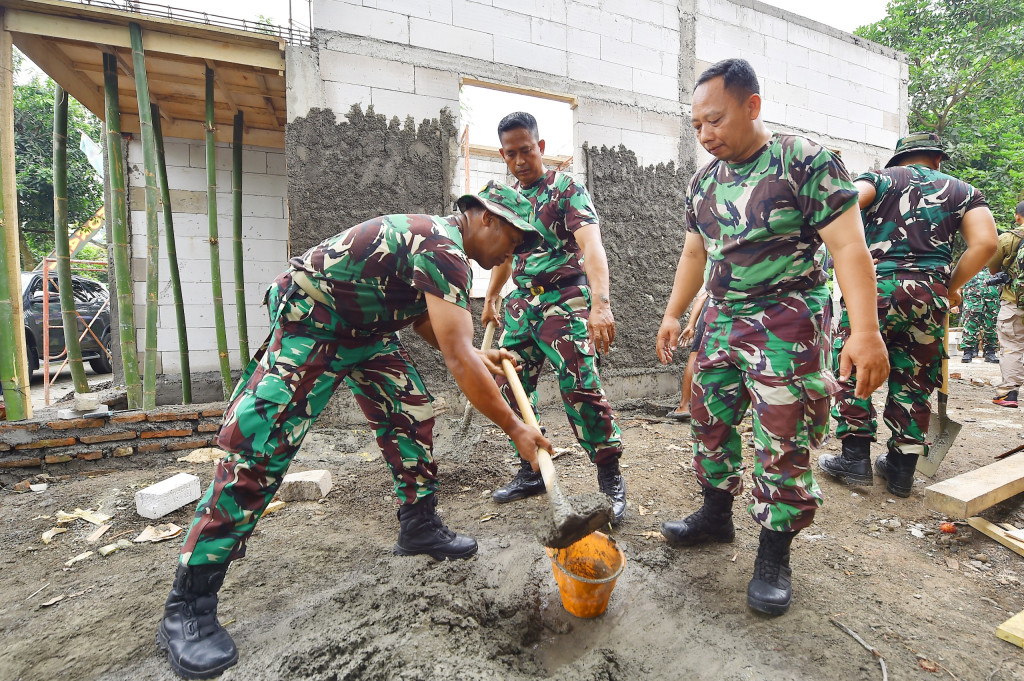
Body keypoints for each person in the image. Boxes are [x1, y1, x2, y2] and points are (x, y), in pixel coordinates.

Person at [156, 181, 553, 680]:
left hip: (366, 332)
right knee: (260, 446)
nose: (508, 259)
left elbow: (431, 329)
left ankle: (420, 524)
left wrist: (483, 356)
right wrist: (516, 427)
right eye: (513, 244)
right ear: (487, 219)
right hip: (313, 319)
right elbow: (455, 356)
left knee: (408, 414)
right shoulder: (442, 247)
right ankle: (188, 603)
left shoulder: (445, 252)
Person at [655, 58, 889, 616]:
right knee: (708, 418)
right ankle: (716, 515)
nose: (705, 134)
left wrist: (867, 331)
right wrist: (673, 313)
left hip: (788, 323)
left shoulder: (804, 161)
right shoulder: (703, 180)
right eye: (696, 126)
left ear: (752, 106)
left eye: (715, 120)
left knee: (782, 438)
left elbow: (849, 248)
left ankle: (773, 552)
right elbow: (695, 252)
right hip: (721, 320)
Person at [820, 132, 997, 496]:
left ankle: (854, 460)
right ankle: (901, 471)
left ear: (899, 159)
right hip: (931, 296)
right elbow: (987, 243)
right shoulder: (964, 191)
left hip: (876, 290)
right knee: (917, 379)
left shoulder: (880, 179)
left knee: (855, 367)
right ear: (936, 159)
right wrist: (949, 286)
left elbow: (844, 201)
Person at [481, 111, 627, 523]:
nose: (520, 160)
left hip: (565, 301)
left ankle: (609, 477)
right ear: (503, 156)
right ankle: (531, 469)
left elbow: (592, 247)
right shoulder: (508, 199)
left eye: (526, 150)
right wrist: (492, 296)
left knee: (581, 388)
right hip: (523, 304)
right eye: (511, 154)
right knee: (506, 386)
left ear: (540, 146)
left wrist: (601, 303)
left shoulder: (566, 189)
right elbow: (503, 255)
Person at [988, 201, 1024, 407]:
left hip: (1014, 302)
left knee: (1012, 347)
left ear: (1017, 216)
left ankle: (1008, 394)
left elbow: (993, 269)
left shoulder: (1008, 238)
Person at [667, 287, 709, 421]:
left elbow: (702, 297)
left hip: (715, 308)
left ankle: (683, 406)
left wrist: (691, 325)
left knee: (695, 355)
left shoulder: (718, 268)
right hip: (751, 311)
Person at [959, 270, 1000, 363]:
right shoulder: (969, 267)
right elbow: (959, 286)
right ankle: (968, 351)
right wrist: (955, 304)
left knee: (991, 326)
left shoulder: (995, 267)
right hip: (972, 301)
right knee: (969, 325)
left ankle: (990, 352)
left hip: (992, 302)